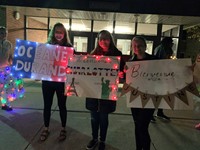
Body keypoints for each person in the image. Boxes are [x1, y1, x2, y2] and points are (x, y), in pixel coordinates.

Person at [85, 30, 124, 150]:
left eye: (106, 38)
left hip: (107, 90)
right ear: (98, 40)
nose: (103, 41)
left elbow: (122, 73)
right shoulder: (93, 54)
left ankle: (102, 140)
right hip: (93, 91)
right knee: (93, 118)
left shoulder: (117, 54)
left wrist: (121, 74)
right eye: (101, 39)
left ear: (110, 39)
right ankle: (94, 138)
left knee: (103, 118)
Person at [39, 23, 73, 142]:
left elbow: (72, 66)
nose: (59, 34)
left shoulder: (69, 47)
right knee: (47, 105)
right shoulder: (47, 46)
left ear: (64, 34)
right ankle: (46, 128)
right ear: (53, 33)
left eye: (61, 32)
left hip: (62, 83)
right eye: (57, 32)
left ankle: (63, 128)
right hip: (48, 82)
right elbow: (40, 62)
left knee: (62, 105)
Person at [128, 36, 155, 150]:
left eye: (140, 45)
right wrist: (124, 74)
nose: (137, 48)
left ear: (145, 47)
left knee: (142, 126)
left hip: (150, 98)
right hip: (135, 98)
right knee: (137, 125)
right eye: (134, 46)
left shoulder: (156, 60)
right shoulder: (130, 62)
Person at [152, 37, 173, 122]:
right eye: (171, 42)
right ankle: (151, 114)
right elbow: (157, 61)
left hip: (165, 75)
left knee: (163, 95)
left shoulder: (166, 49)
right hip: (159, 75)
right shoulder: (161, 49)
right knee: (156, 95)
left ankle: (160, 112)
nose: (172, 44)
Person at [0, 26, 13, 111]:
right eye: (2, 33)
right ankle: (3, 103)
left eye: (5, 33)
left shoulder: (9, 44)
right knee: (1, 88)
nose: (4, 35)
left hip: (7, 68)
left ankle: (6, 104)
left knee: (8, 87)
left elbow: (11, 56)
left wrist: (12, 64)